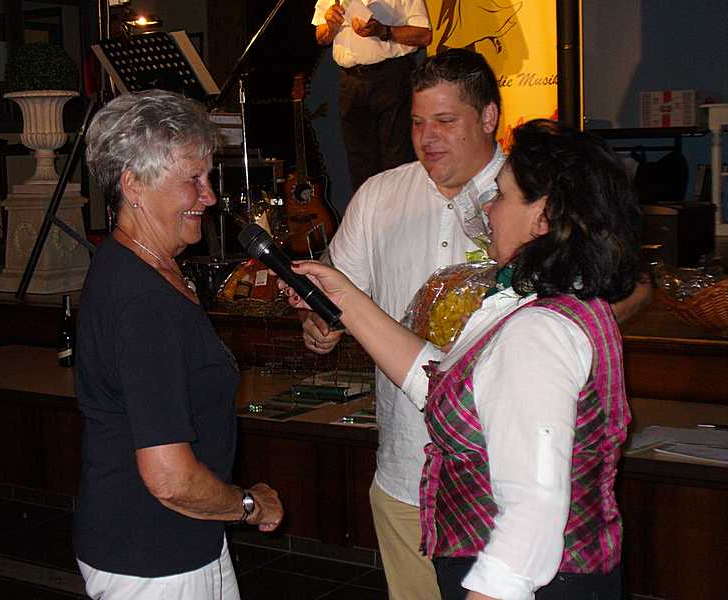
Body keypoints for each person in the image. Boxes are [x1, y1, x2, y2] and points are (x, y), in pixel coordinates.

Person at [285, 118, 642, 599]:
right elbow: (439, 382)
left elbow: (532, 514)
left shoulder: (537, 332)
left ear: (542, 219)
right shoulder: (546, 301)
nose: (488, 208)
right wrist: (344, 297)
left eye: (502, 195)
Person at [304, 47, 505, 600]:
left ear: (488, 117)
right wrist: (320, 323)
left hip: (498, 479)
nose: (427, 138)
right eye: (418, 123)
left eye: (445, 121)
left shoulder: (525, 196)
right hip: (403, 472)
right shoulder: (380, 194)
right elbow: (336, 292)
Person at [73, 89, 283, 600]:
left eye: (207, 178)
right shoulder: (143, 299)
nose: (208, 197)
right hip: (154, 557)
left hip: (175, 541)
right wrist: (248, 505)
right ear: (134, 185)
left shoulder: (143, 267)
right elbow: (170, 479)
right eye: (193, 179)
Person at [312, 0, 432, 192]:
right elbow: (321, 37)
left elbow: (424, 35)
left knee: (397, 162)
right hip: (350, 82)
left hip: (391, 78)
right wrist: (330, 27)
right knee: (360, 166)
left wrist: (383, 31)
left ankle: (400, 211)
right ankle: (367, 211)